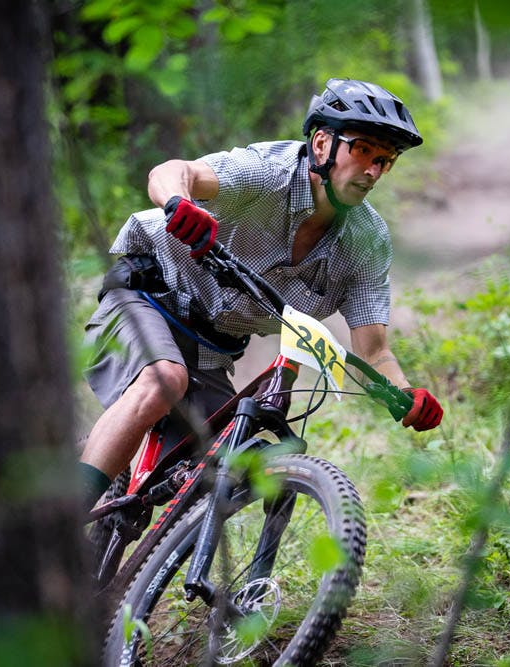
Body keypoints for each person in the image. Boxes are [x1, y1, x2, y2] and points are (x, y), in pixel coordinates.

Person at [78, 78, 443, 510]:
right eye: (364, 149)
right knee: (166, 381)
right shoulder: (268, 173)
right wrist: (179, 204)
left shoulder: (367, 241)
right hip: (146, 295)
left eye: (386, 160)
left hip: (211, 349)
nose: (373, 170)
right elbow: (174, 172)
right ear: (323, 143)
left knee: (238, 467)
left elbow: (374, 350)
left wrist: (405, 395)